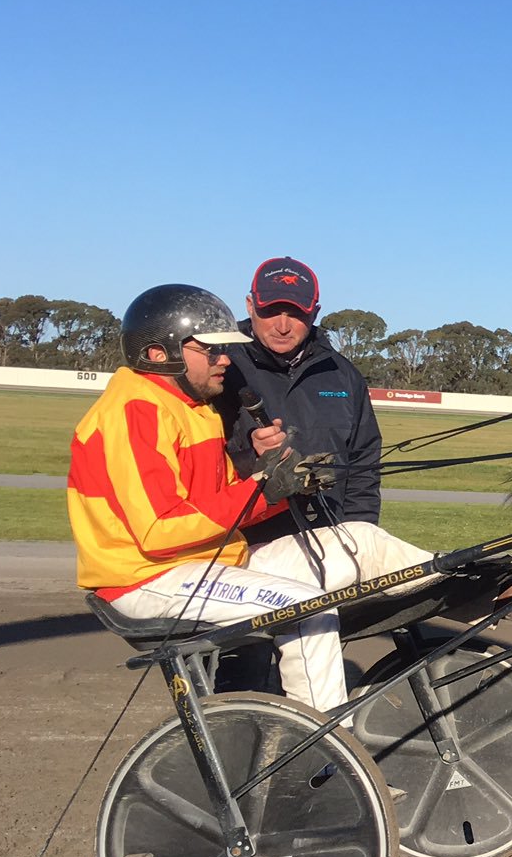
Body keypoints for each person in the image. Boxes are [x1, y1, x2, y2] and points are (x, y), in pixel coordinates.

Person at [68, 284, 354, 711]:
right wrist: (263, 489)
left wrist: (280, 485)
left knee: (358, 541)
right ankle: (328, 748)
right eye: (212, 351)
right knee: (305, 605)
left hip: (198, 564)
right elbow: (160, 529)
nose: (225, 360)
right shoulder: (135, 411)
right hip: (144, 578)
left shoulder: (194, 408)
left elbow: (216, 509)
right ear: (159, 353)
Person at [221, 256, 430, 595]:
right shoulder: (220, 367)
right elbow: (194, 469)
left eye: (297, 314)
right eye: (272, 310)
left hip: (329, 544)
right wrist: (252, 457)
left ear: (315, 312)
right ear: (250, 304)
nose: (283, 325)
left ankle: (470, 587)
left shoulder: (343, 374)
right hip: (245, 550)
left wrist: (357, 538)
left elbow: (363, 466)